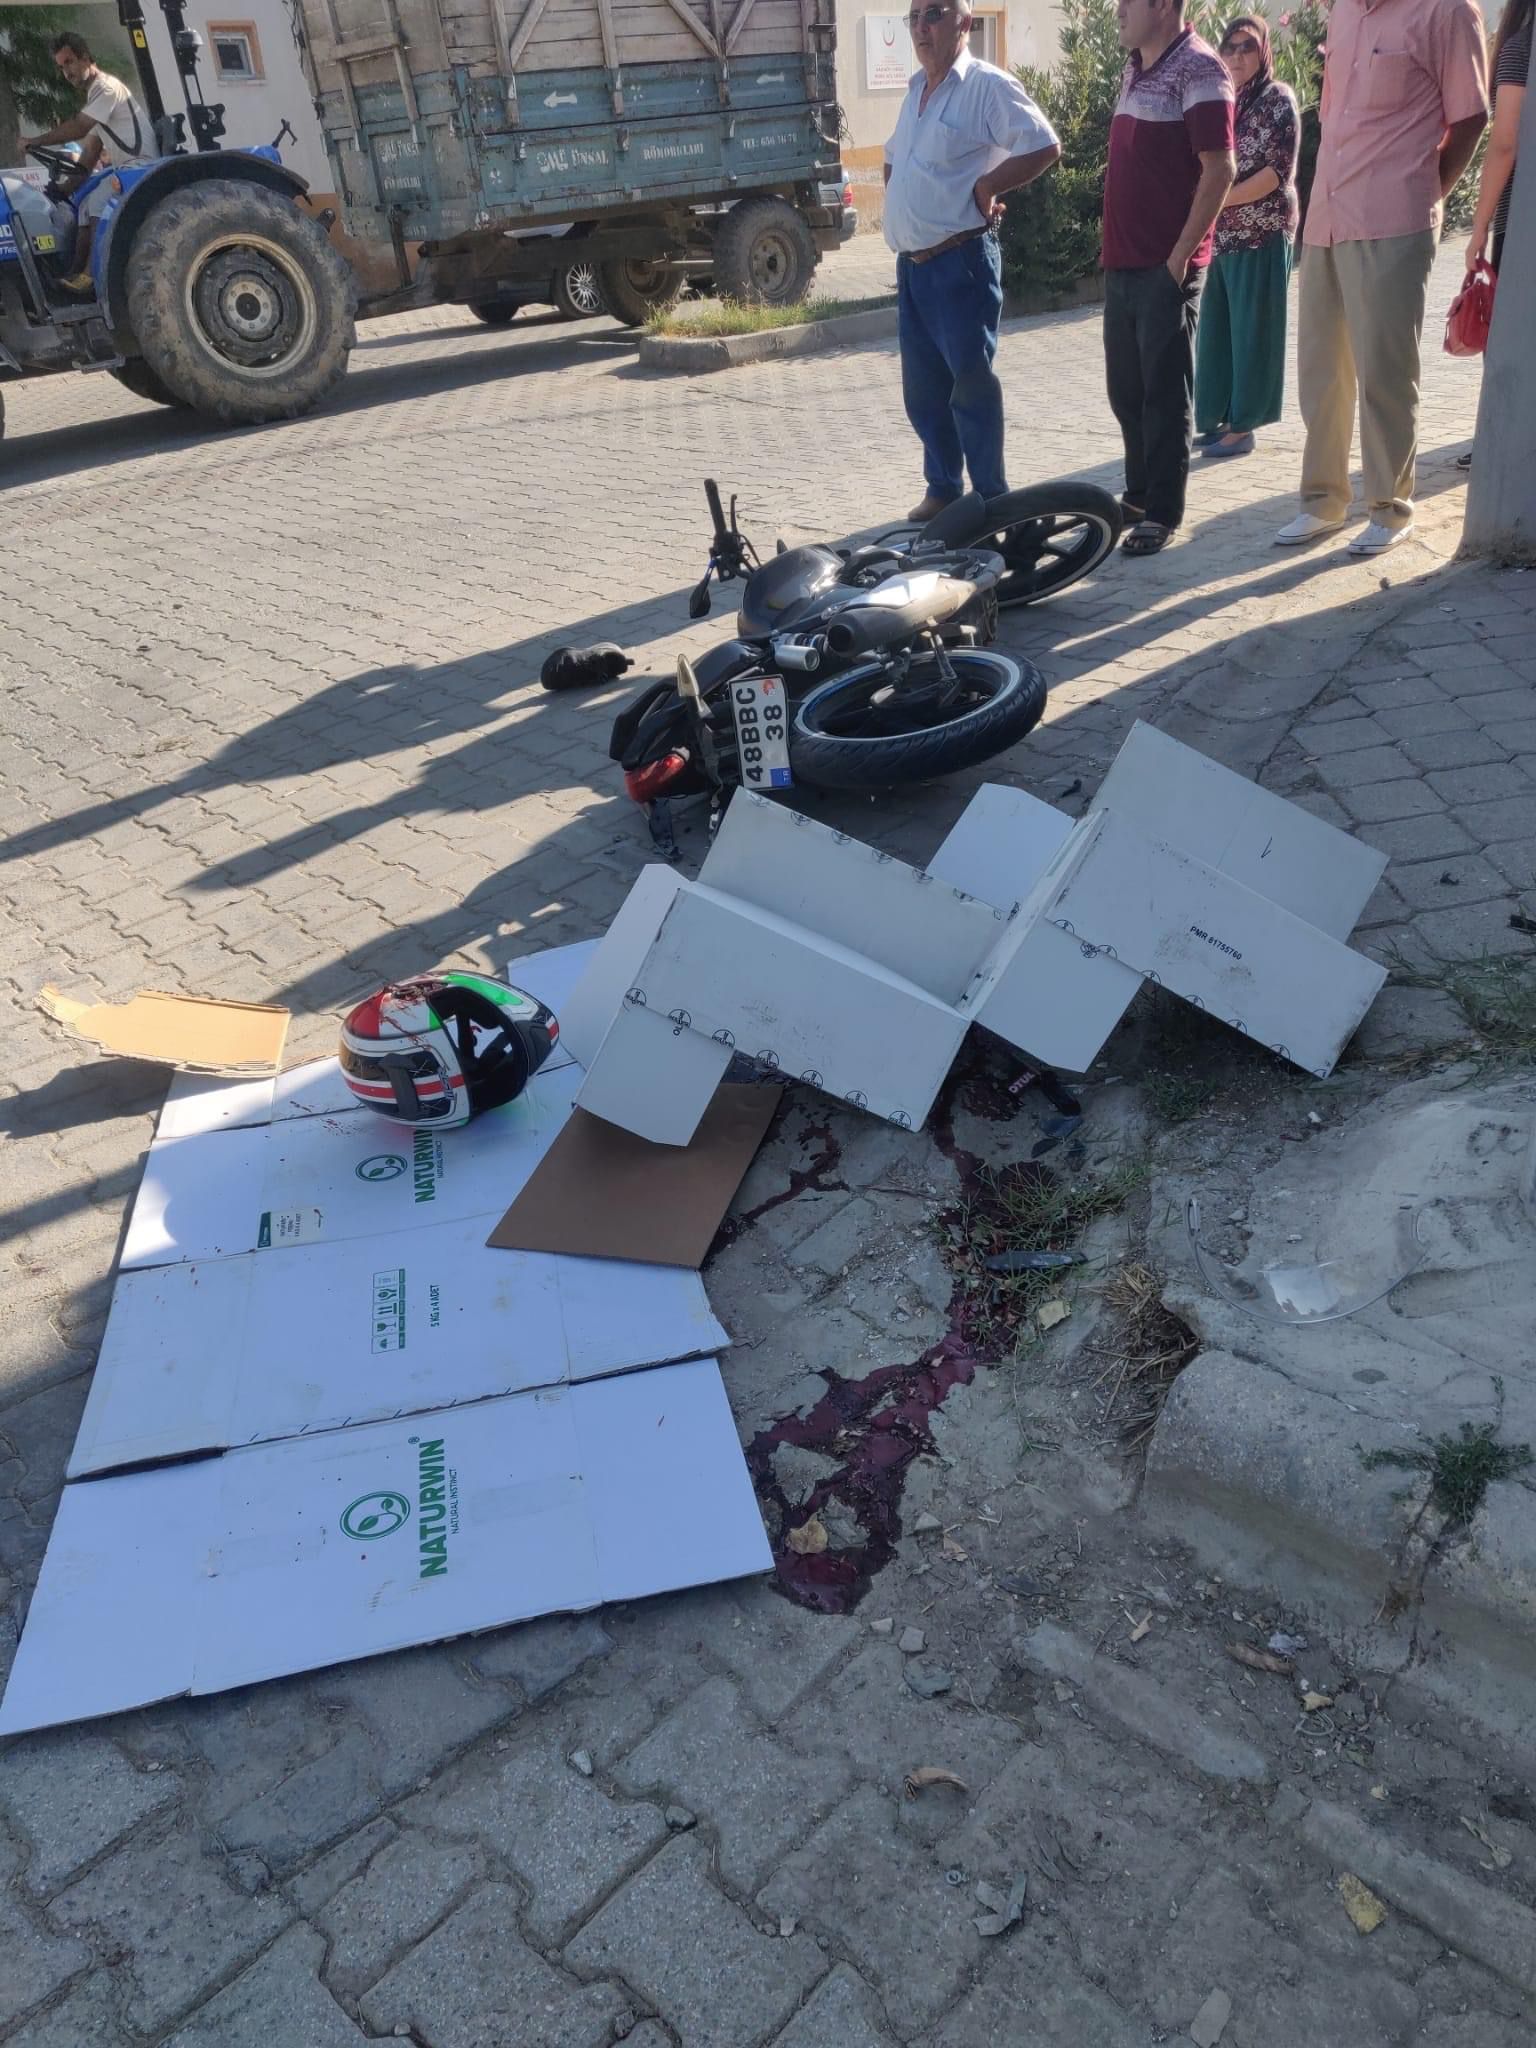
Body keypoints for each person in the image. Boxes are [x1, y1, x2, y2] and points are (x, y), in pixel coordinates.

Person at [1275, 0, 1488, 554]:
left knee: (1385, 375)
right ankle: (1323, 502)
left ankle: (1390, 510)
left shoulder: (1446, 11)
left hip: (1393, 218)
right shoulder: (1345, 11)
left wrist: (1424, 191)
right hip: (1327, 218)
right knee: (1321, 373)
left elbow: (1471, 116)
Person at [883, 1, 1060, 521]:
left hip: (959, 262)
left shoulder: (985, 85)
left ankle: (990, 499)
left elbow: (1043, 144)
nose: (921, 27)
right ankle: (943, 488)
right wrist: (905, 205)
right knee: (924, 393)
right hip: (914, 267)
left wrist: (988, 185)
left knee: (970, 387)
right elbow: (893, 157)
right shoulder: (916, 90)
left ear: (965, 22)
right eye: (914, 17)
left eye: (934, 14)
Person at [1101, 0, 1236, 555]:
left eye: (1127, 1)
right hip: (1121, 262)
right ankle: (1138, 495)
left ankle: (1162, 511)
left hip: (1165, 266)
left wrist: (1180, 256)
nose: (1117, 10)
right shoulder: (1134, 66)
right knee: (1126, 391)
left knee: (1163, 394)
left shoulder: (1201, 69)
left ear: (1162, 5)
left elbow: (1221, 167)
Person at [1193, 17, 1299, 459]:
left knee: (1253, 334)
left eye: (1247, 47)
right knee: (1217, 332)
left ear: (1263, 52)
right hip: (1221, 236)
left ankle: (1244, 427)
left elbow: (1276, 173)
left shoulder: (1277, 99)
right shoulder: (1224, 99)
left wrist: (1217, 199)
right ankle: (1219, 419)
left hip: (1261, 232)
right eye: (1230, 46)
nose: (1237, 55)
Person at [1456, 0, 1531, 464]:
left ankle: (1501, 443)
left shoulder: (1521, 49)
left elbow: (1504, 144)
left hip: (1521, 222)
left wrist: (1479, 226)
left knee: (1509, 339)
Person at [29, 32, 156, 295]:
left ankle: (92, 276)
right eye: (61, 66)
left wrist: (35, 141)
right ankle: (72, 273)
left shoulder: (106, 88)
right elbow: (87, 159)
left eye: (70, 62)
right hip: (124, 168)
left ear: (85, 58)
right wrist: (62, 190)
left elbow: (79, 127)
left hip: (140, 167)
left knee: (98, 201)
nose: (67, 72)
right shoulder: (96, 101)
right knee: (85, 203)